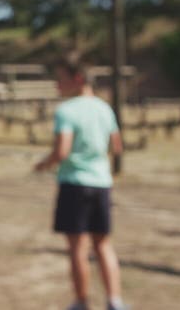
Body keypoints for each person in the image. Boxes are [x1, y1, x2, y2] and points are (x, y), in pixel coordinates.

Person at [34, 53, 127, 310]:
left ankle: (82, 301)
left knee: (77, 247)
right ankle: (114, 300)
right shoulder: (104, 108)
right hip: (101, 183)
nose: (56, 85)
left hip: (75, 184)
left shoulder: (66, 111)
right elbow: (116, 146)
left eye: (60, 79)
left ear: (77, 79)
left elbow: (62, 151)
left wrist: (46, 163)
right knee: (103, 244)